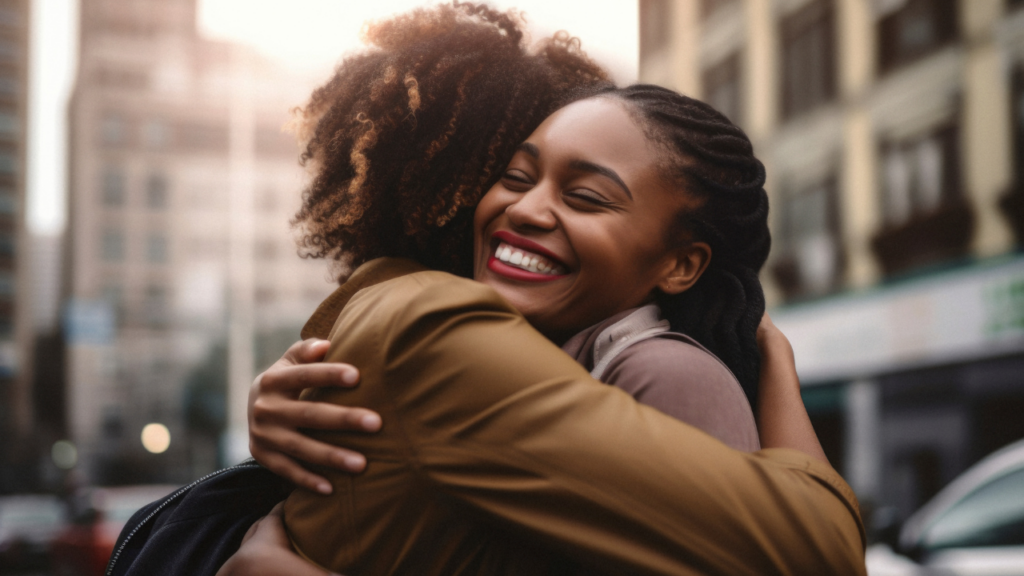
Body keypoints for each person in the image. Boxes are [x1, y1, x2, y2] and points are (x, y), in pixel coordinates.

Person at [219, 4, 863, 574]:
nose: (527, 211)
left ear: (681, 263)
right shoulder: (440, 334)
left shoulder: (659, 370)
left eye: (584, 196)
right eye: (514, 175)